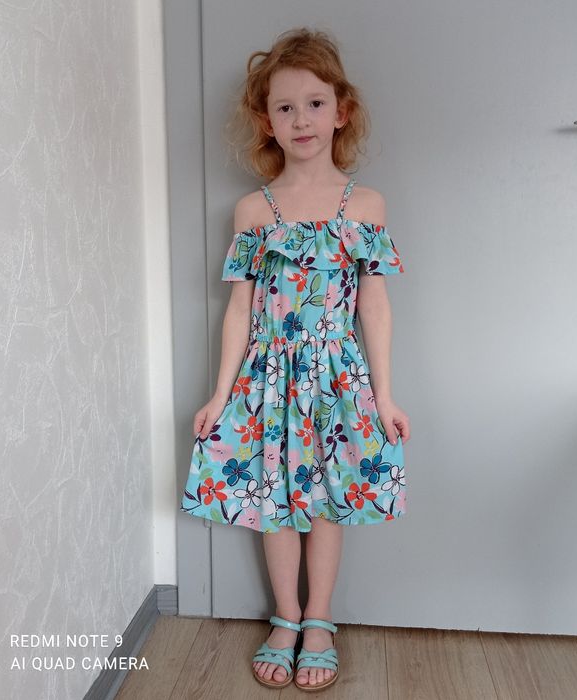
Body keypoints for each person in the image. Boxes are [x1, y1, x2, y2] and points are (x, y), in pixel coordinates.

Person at [180, 27, 411, 692]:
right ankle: (284, 618)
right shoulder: (254, 210)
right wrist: (220, 394)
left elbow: (375, 308)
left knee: (329, 500)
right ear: (267, 121)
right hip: (269, 379)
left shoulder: (364, 206)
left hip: (337, 380)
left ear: (341, 111)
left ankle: (319, 622)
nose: (301, 119)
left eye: (315, 104)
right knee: (273, 497)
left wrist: (384, 395)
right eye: (285, 107)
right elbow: (238, 311)